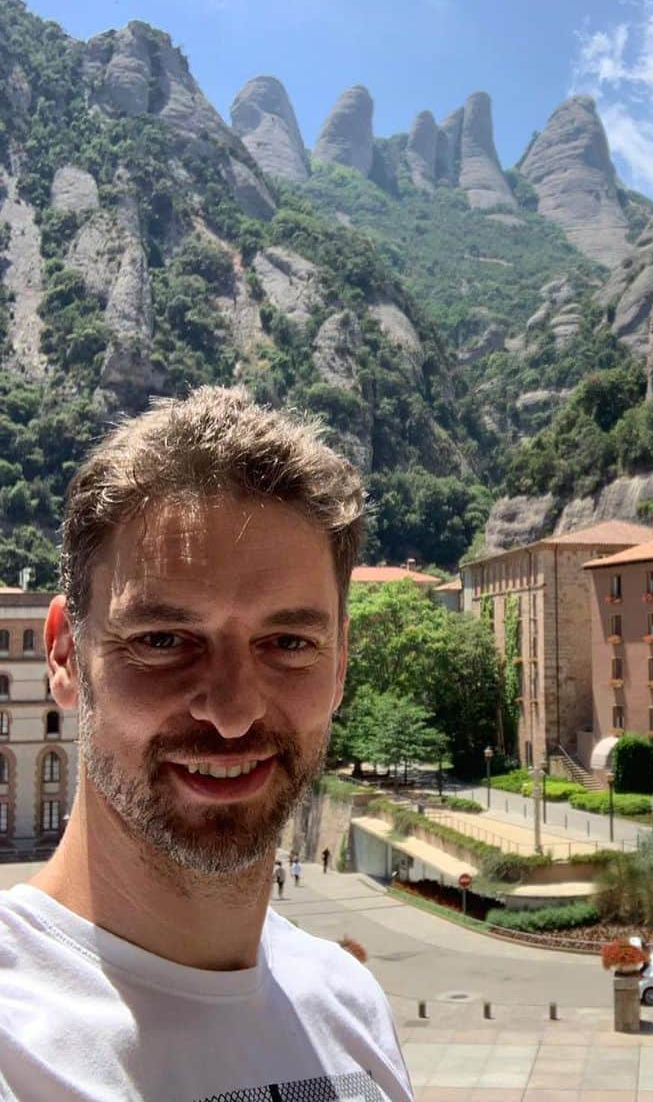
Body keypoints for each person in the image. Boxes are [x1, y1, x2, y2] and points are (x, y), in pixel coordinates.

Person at [0, 387, 413, 1101]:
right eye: (164, 641)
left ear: (340, 665)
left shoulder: (354, 1009)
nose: (231, 711)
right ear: (66, 654)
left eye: (288, 643)